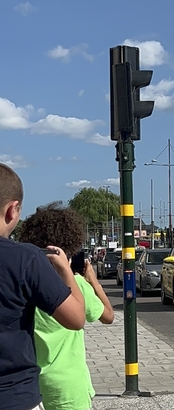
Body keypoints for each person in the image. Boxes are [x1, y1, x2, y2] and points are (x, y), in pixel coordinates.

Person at [0, 163, 86, 410]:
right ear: (12, 210)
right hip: (14, 395)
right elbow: (76, 318)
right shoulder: (26, 259)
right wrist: (66, 271)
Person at [19, 203, 114, 410]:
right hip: (69, 388)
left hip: (30, 385)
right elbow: (108, 316)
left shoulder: (23, 284)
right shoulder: (76, 284)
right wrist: (93, 282)